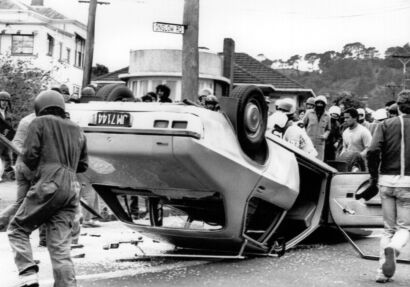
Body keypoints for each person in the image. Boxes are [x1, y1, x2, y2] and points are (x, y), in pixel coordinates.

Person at [8, 90, 88, 286]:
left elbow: (29, 154)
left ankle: (28, 275)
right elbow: (83, 165)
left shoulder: (39, 122)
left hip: (48, 183)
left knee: (17, 229)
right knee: (60, 248)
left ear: (40, 107)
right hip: (71, 188)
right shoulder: (77, 130)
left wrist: (41, 168)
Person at [366, 90, 410, 283]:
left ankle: (382, 273)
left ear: (398, 106)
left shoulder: (384, 124)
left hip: (386, 180)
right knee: (405, 228)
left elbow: (373, 151)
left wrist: (374, 176)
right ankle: (396, 248)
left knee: (388, 229)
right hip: (408, 183)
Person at [0, 112, 36, 231]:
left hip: (21, 164)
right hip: (31, 165)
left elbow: (15, 143)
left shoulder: (25, 120)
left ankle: (3, 221)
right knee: (40, 199)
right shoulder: (42, 121)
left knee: (20, 202)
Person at [302, 95, 331, 161]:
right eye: (318, 103)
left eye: (321, 103)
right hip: (308, 142)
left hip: (320, 144)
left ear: (324, 105)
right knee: (307, 161)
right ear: (315, 104)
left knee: (319, 162)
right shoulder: (309, 113)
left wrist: (325, 135)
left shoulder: (327, 116)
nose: (319, 105)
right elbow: (302, 125)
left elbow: (328, 129)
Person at [0, 90, 15, 181]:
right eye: (2, 100)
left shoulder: (9, 115)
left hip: (6, 140)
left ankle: (8, 176)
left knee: (8, 158)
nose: (4, 103)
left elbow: (10, 128)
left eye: (6, 101)